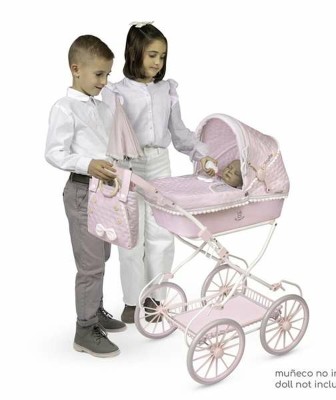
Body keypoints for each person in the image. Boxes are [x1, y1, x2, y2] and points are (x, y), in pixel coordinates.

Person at [102, 22, 216, 323]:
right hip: (127, 165)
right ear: (134, 52)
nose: (157, 62)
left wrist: (201, 153)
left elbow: (179, 132)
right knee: (130, 235)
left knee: (161, 233)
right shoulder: (115, 92)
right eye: (152, 55)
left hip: (159, 164)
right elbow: (109, 133)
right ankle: (132, 300)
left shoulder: (167, 90)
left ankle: (156, 299)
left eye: (162, 56)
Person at [45, 35, 126, 358]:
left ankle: (96, 310)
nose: (104, 82)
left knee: (102, 256)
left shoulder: (103, 106)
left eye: (108, 74)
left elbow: (108, 145)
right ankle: (84, 328)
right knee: (90, 264)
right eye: (99, 74)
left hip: (105, 191)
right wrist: (88, 164)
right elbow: (54, 152)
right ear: (76, 69)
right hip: (82, 191)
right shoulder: (64, 108)